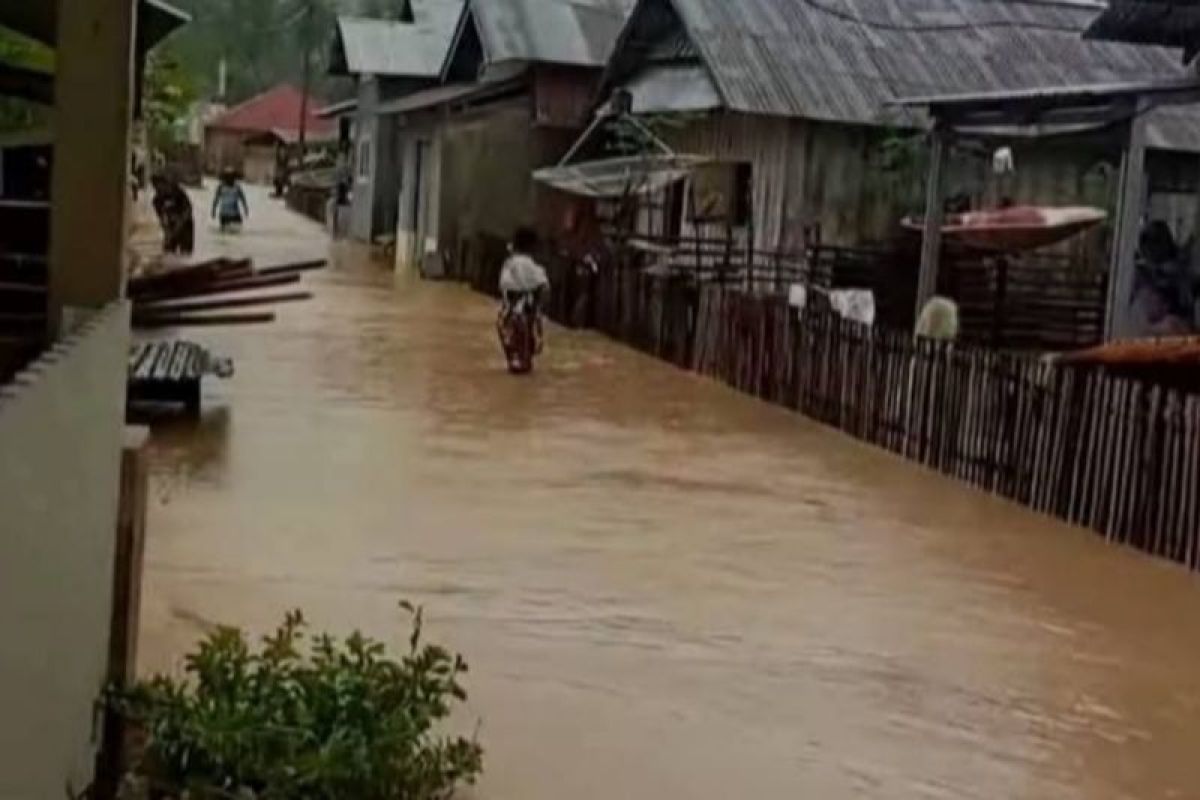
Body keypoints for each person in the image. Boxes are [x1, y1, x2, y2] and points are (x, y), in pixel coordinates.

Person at [498, 226, 550, 355]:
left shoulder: (510, 263)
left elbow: (504, 285)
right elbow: (544, 286)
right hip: (528, 307)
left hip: (514, 307)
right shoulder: (534, 265)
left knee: (501, 324)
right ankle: (534, 341)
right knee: (536, 322)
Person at [151, 173, 195, 255]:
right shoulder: (156, 201)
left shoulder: (178, 193)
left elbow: (188, 210)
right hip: (171, 227)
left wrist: (179, 222)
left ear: (165, 183)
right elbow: (162, 219)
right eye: (155, 187)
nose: (158, 189)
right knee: (168, 253)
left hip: (185, 227)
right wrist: (167, 232)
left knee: (185, 254)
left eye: (160, 186)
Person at [212, 168, 249, 232]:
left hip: (234, 214)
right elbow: (216, 199)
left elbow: (243, 199)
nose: (230, 179)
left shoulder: (237, 187)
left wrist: (246, 209)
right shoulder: (221, 187)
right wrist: (213, 210)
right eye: (228, 177)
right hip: (225, 214)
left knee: (236, 230)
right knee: (230, 231)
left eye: (232, 177)